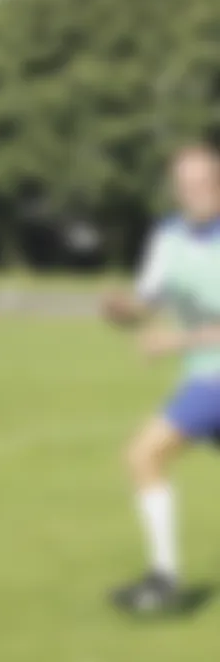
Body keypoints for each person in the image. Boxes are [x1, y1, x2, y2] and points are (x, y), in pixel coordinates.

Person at [101, 142, 220, 614]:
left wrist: (175, 341)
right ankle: (164, 579)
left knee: (144, 454)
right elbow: (146, 305)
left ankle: (164, 581)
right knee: (146, 457)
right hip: (203, 373)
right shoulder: (167, 237)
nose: (197, 191)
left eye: (205, 181)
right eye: (187, 184)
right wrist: (122, 311)